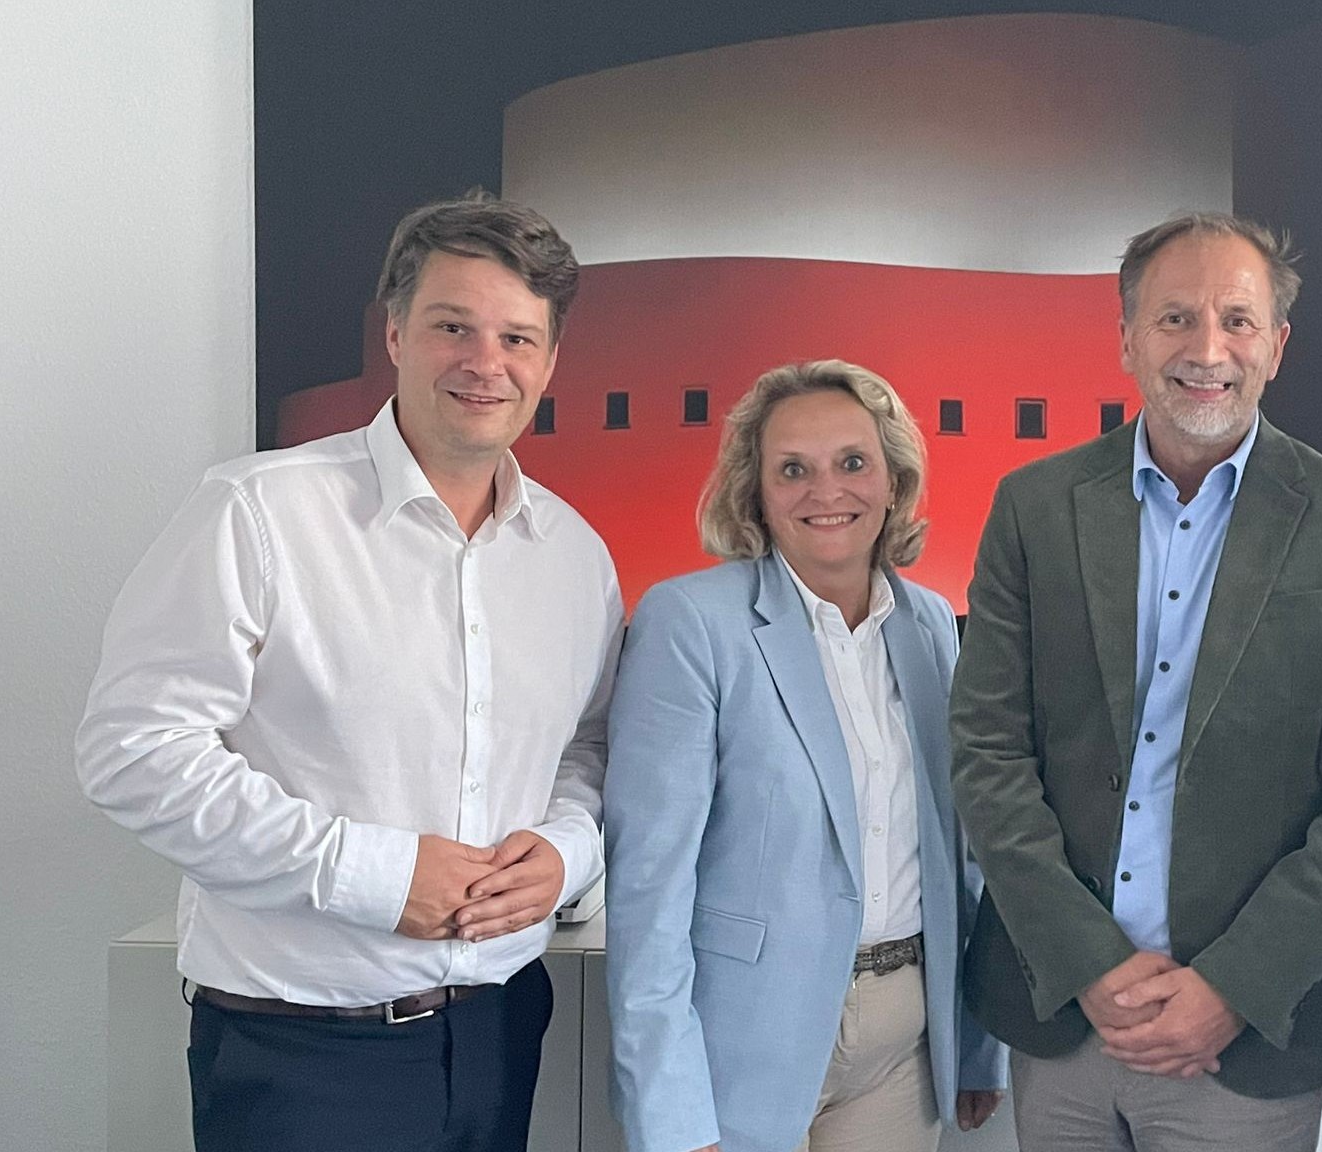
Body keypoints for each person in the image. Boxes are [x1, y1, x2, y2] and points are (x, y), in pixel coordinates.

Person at [75, 193, 622, 1151]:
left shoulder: (575, 556)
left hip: (500, 1030)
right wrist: (373, 874)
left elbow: (588, 745)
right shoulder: (258, 512)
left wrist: (568, 848)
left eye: (517, 338)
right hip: (301, 1056)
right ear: (396, 333)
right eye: (454, 326)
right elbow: (133, 752)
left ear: (549, 362)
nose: (486, 362)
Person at [948, 212, 1322, 1151]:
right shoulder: (1034, 508)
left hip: (1247, 1041)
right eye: (1175, 318)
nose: (1207, 350)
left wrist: (1233, 987)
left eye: (1237, 321)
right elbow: (987, 752)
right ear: (1127, 338)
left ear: (1276, 346)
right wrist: (1089, 962)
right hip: (1064, 1017)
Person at [604, 360, 1006, 1152]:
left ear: (893, 481)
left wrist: (975, 1043)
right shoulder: (692, 623)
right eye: (793, 469)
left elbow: (963, 855)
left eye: (853, 462)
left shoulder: (930, 623)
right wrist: (669, 1107)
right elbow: (649, 885)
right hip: (742, 1041)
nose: (827, 491)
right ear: (755, 492)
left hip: (904, 1039)